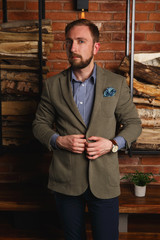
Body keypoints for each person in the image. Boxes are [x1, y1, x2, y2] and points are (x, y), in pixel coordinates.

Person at [33, 19, 142, 240]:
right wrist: (58, 141)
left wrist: (112, 144)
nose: (73, 48)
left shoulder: (116, 83)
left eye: (81, 41)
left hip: (104, 181)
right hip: (66, 181)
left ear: (95, 47)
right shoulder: (53, 85)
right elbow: (39, 125)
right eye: (69, 42)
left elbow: (133, 124)